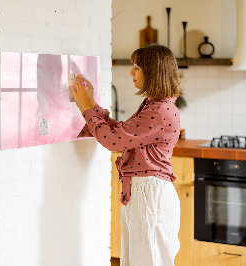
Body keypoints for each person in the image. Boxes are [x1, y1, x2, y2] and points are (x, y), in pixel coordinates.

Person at [70, 44, 182, 266]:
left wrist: (85, 108)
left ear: (153, 72)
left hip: (150, 195)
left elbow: (113, 141)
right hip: (145, 193)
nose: (131, 72)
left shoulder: (159, 111)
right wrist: (91, 103)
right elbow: (121, 133)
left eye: (137, 67)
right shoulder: (155, 106)